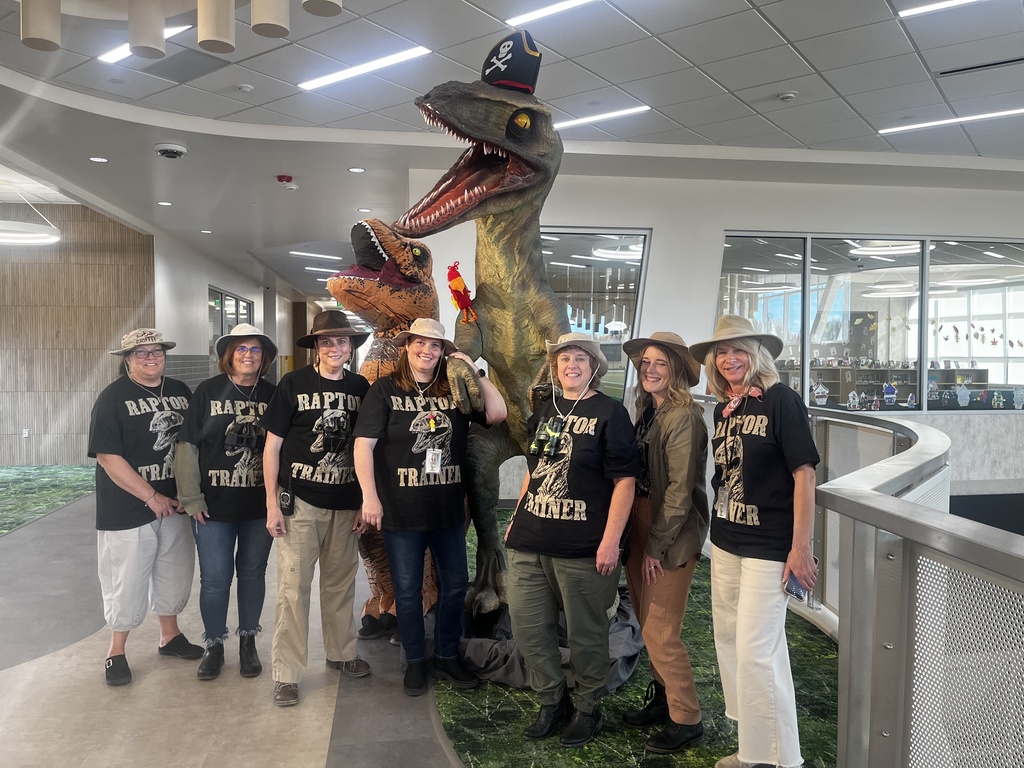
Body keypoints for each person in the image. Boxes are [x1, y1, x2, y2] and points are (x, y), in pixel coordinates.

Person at [689, 316, 820, 768]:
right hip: (726, 541)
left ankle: (762, 758)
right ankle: (767, 752)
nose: (729, 359)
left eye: (738, 350)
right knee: (730, 640)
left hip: (769, 545)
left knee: (755, 650)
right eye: (721, 353)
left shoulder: (782, 400)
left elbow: (805, 475)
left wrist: (800, 548)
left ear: (756, 354)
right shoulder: (726, 408)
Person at [353, 317, 507, 697]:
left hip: (448, 511)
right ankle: (416, 660)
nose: (427, 351)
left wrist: (470, 366)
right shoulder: (385, 390)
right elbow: (363, 446)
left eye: (436, 345)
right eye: (420, 343)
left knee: (454, 585)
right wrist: (369, 496)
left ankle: (448, 655)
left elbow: (496, 413)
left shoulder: (453, 388)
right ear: (407, 346)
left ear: (444, 351)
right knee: (407, 591)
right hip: (401, 512)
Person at [504, 332, 639, 748]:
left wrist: (610, 541)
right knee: (528, 628)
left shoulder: (610, 413)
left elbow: (625, 482)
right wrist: (515, 516)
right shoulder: (545, 409)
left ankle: (587, 706)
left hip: (583, 544)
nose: (571, 366)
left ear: (594, 365)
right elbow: (535, 468)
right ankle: (551, 699)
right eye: (564, 359)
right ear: (555, 365)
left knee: (586, 634)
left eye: (580, 358)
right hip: (530, 539)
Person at [261, 310, 372, 707]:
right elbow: (272, 446)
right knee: (293, 590)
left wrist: (362, 500)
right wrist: (272, 502)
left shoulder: (361, 387)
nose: (335, 348)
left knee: (341, 585)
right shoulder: (293, 384)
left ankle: (342, 653)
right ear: (317, 347)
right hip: (300, 504)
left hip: (345, 504)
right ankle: (287, 674)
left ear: (350, 347)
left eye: (342, 341)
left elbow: (366, 448)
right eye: (327, 341)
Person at [88, 328, 200, 686]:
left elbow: (194, 445)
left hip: (176, 504)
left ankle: (170, 636)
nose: (151, 358)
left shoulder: (181, 391)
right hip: (128, 508)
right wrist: (150, 496)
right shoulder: (112, 398)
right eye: (141, 353)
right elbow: (108, 457)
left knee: (174, 572)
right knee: (126, 581)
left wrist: (188, 493)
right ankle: (116, 650)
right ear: (127, 360)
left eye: (157, 351)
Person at [619, 332, 710, 753]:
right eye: (645, 362)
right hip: (640, 522)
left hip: (669, 531)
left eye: (660, 362)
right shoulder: (647, 410)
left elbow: (678, 491)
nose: (650, 369)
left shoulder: (683, 415)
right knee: (643, 616)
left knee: (660, 629)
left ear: (676, 370)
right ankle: (664, 699)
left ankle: (686, 718)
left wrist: (656, 547)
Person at [174, 323, 277, 681]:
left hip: (258, 505)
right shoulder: (207, 391)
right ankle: (214, 645)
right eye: (241, 349)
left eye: (256, 350)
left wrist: (277, 500)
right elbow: (187, 445)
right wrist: (190, 496)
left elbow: (282, 448)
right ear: (228, 355)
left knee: (252, 573)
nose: (248, 355)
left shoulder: (273, 394)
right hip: (213, 506)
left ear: (264, 358)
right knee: (216, 579)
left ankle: (248, 642)